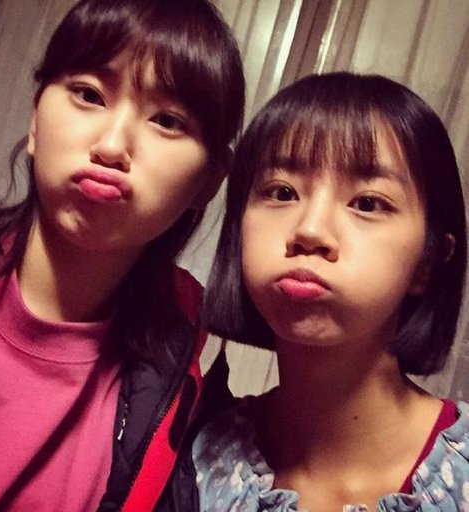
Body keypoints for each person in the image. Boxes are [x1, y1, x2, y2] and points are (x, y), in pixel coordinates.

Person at [0, 0, 244, 510]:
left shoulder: (180, 387)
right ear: (35, 118)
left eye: (167, 121)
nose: (112, 147)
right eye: (89, 94)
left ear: (209, 182)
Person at [194, 72, 468, 511]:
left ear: (428, 261)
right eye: (282, 192)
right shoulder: (196, 459)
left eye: (368, 203)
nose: (309, 230)